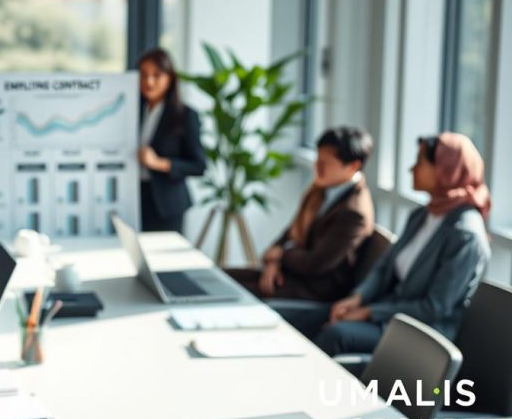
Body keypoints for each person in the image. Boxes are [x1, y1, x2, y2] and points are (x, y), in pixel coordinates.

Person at [306, 133, 491, 356]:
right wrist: (358, 298)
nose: (411, 169)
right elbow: (385, 265)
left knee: (336, 335)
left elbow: (433, 308)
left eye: (420, 162)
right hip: (386, 313)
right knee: (307, 319)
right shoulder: (423, 214)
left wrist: (368, 312)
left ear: (445, 170)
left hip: (419, 335)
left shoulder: (466, 235)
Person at [227, 127, 375, 302]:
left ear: (354, 166)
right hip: (290, 273)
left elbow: (315, 264)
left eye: (325, 162)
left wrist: (281, 255)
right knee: (217, 277)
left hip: (313, 290)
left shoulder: (354, 213)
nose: (316, 167)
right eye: (317, 158)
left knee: (228, 293)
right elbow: (289, 233)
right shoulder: (319, 191)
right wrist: (273, 262)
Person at [136, 47, 207, 232]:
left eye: (156, 75)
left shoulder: (185, 115)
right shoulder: (131, 112)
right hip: (133, 198)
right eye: (143, 74)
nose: (148, 81)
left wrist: (159, 163)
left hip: (165, 204)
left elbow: (199, 165)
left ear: (170, 78)